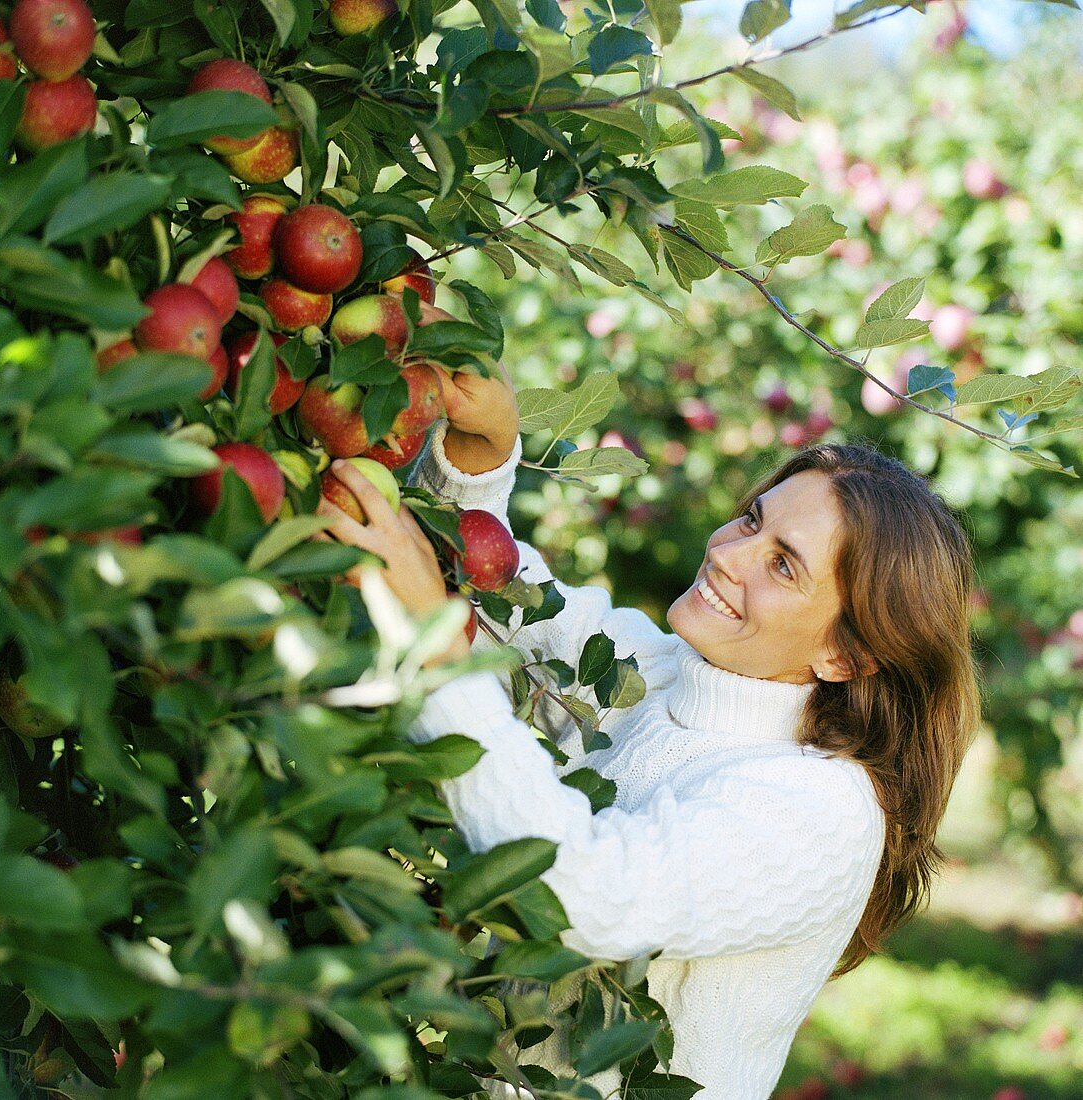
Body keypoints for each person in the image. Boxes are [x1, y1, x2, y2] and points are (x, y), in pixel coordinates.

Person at [316, 331, 982, 1100]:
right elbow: (504, 598)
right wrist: (481, 452)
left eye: (783, 564)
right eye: (753, 521)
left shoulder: (822, 812)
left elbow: (585, 897)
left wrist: (437, 654)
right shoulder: (662, 673)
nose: (731, 554)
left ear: (847, 656)